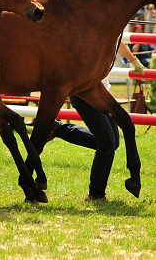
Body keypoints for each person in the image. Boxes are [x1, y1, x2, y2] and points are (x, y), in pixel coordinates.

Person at [49, 41, 145, 201]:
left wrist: (134, 60)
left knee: (113, 143)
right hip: (85, 93)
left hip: (103, 94)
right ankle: (95, 194)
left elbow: (117, 41)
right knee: (107, 144)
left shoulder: (107, 30)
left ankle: (57, 129)